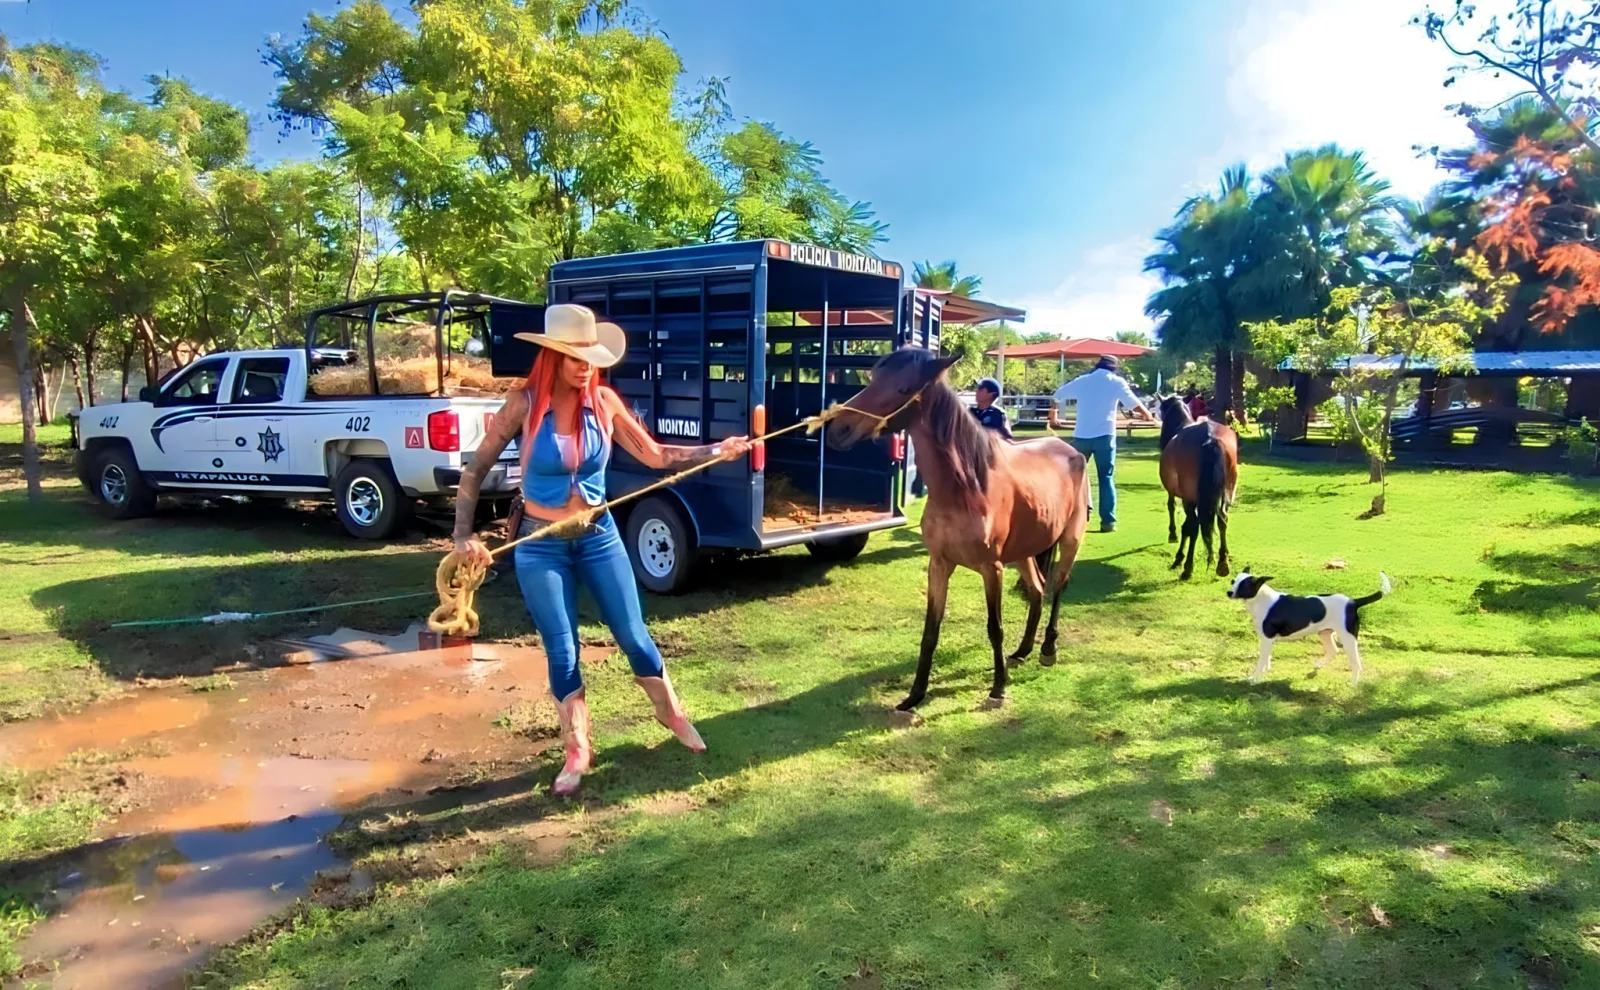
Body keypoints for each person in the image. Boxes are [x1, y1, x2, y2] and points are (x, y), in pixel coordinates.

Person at [453, 304, 751, 796]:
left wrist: (717, 449)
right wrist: (464, 534)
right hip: (540, 544)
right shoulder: (523, 404)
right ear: (552, 356)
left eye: (590, 354)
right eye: (574, 355)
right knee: (563, 647)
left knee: (633, 634)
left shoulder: (605, 402)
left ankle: (670, 712)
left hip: (599, 536)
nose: (585, 363)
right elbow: (474, 468)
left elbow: (656, 455)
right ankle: (577, 749)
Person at [1049, 355, 1154, 533]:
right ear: (1114, 368)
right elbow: (1134, 404)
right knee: (1105, 478)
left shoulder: (1082, 380)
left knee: (1073, 478)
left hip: (1081, 436)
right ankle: (1108, 522)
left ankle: (1069, 516)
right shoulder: (1116, 382)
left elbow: (1057, 396)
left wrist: (1054, 414)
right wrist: (1148, 415)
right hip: (1105, 436)